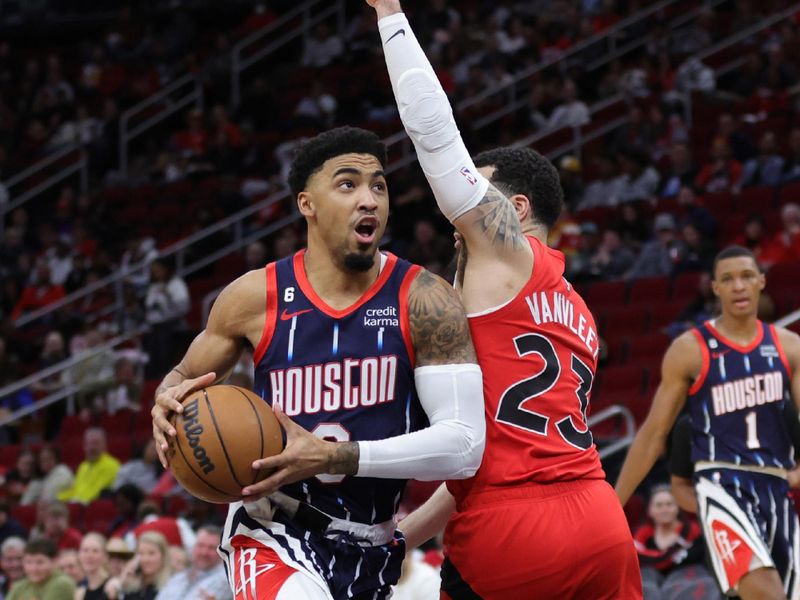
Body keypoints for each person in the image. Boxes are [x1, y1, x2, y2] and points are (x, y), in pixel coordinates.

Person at [369, 1, 642, 597]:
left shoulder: (505, 252)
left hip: (513, 533)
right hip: (599, 520)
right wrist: (399, 540)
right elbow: (497, 452)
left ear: (514, 211)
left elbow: (437, 139)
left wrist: (392, 16)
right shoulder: (580, 311)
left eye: (480, 195)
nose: (458, 219)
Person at [150, 125, 485, 599]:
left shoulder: (425, 300)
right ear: (307, 203)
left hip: (372, 544)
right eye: (348, 184)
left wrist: (333, 458)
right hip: (273, 530)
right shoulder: (253, 296)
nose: (369, 199)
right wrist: (164, 400)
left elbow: (464, 448)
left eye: (379, 185)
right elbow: (184, 377)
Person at [615, 245, 800, 599]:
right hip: (720, 484)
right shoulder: (690, 348)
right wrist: (612, 505)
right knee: (767, 592)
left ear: (761, 281)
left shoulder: (789, 347)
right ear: (715, 288)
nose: (739, 286)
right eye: (727, 279)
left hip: (776, 487)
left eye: (747, 276)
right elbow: (654, 433)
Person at [155, 526, 231, 600]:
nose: (204, 552)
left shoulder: (226, 580)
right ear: (193, 546)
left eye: (211, 548)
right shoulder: (179, 577)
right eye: (200, 545)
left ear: (221, 552)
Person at [58, 428, 121, 504]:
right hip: (77, 505)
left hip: (93, 507)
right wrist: (58, 498)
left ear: (104, 445)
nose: (91, 448)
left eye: (96, 443)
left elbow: (97, 493)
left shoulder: (112, 465)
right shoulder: (83, 466)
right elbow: (75, 491)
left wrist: (75, 501)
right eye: (88, 444)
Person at [104, 532, 172, 600]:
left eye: (151, 553)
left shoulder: (171, 586)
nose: (146, 559)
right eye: (141, 553)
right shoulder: (131, 583)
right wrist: (122, 580)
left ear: (163, 556)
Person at [7, 537, 76, 600]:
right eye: (28, 562)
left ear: (55, 561)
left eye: (40, 562)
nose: (34, 569)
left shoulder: (62, 584)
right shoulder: (19, 587)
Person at [75, 533, 110, 600]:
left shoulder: (112, 585)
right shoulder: (80, 591)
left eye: (95, 551)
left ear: (105, 556)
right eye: (85, 550)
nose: (89, 556)